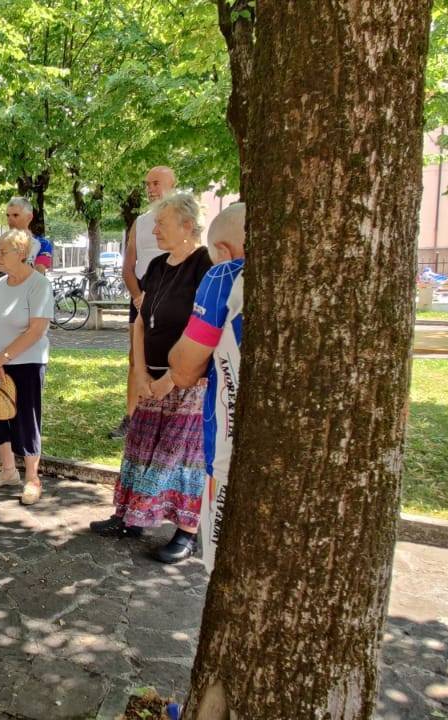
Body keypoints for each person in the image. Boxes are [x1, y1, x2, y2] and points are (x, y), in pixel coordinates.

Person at [89, 191, 213, 564]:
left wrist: (172, 378)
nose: (154, 230)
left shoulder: (205, 264)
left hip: (189, 382)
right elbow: (142, 321)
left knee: (181, 456)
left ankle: (186, 531)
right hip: (152, 376)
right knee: (141, 448)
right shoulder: (158, 265)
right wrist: (141, 372)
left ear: (187, 226)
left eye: (162, 223)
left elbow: (205, 330)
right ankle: (131, 517)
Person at [165, 202, 246, 572]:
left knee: (224, 563)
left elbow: (184, 368)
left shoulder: (224, 275)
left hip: (229, 447)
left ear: (223, 251)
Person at [0, 228, 54, 505]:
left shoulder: (38, 285)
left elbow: (36, 330)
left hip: (26, 363)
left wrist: (3, 357)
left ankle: (32, 478)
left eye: (2, 252)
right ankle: (8, 471)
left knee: (26, 420)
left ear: (21, 253)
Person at [112, 166, 177, 440]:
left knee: (171, 356)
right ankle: (131, 417)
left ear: (173, 185)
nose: (150, 189)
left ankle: (168, 417)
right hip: (141, 296)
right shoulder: (140, 222)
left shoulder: (183, 220)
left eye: (156, 183)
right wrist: (138, 297)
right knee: (135, 357)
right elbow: (128, 267)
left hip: (172, 297)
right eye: (147, 184)